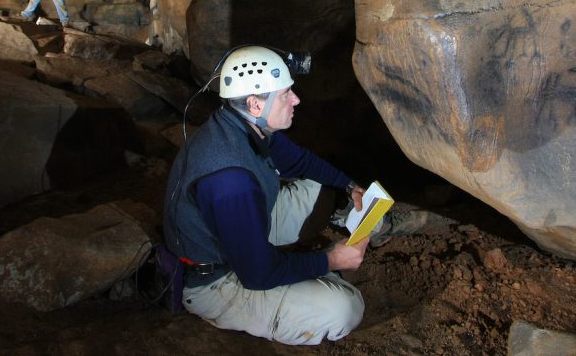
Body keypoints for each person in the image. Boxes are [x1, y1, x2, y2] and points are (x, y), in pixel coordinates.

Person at [162, 45, 420, 345]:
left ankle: (307, 262)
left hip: (238, 230)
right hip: (217, 279)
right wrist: (330, 260)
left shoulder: (242, 125)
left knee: (322, 186)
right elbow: (257, 274)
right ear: (256, 104)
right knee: (345, 308)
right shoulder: (230, 179)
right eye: (286, 94)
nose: (296, 99)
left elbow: (302, 162)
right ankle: (309, 279)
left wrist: (349, 186)